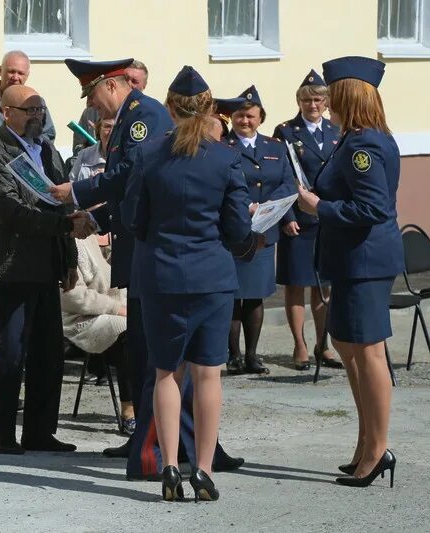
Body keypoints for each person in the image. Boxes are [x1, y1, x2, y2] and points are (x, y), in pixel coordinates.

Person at [121, 65, 262, 502]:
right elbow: (238, 230)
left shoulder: (150, 155)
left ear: (169, 108)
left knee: (167, 372)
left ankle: (167, 467)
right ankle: (201, 469)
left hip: (162, 277)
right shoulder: (225, 158)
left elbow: (132, 220)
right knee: (208, 375)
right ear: (210, 110)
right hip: (212, 279)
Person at [57, 58, 177, 476]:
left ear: (110, 85)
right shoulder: (130, 117)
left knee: (148, 353)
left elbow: (130, 175)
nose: (92, 106)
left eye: (92, 95)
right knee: (141, 351)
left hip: (147, 249)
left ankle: (153, 442)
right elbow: (129, 192)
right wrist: (96, 219)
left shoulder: (143, 116)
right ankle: (142, 436)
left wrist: (77, 191)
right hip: (133, 245)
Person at [297, 56, 403, 488]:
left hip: (365, 260)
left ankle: (377, 451)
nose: (326, 101)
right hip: (352, 259)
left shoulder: (364, 146)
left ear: (348, 96)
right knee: (346, 342)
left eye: (333, 95)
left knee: (368, 351)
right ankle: (367, 443)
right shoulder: (354, 140)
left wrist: (319, 207)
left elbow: (372, 207)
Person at [0, 84, 95, 454]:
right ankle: (3, 434)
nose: (37, 115)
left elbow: (60, 205)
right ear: (6, 112)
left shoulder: (46, 150)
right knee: (10, 354)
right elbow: (11, 211)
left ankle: (40, 431)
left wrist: (70, 258)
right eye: (29, 110)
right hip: (12, 266)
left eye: (40, 109)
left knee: (48, 353)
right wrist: (64, 227)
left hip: (47, 265)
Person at [273, 70, 343, 370]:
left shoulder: (336, 130)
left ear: (326, 102)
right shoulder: (286, 131)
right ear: (298, 101)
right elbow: (283, 176)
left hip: (327, 217)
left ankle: (322, 345)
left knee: (323, 286)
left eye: (317, 99)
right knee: (296, 284)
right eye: (306, 100)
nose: (312, 105)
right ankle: (300, 345)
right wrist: (286, 216)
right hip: (298, 219)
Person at [224, 86, 295, 375]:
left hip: (265, 231)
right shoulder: (223, 146)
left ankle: (252, 355)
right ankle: (233, 356)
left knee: (255, 295)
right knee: (232, 296)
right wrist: (246, 206)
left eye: (250, 116)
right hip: (235, 230)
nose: (245, 121)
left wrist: (273, 209)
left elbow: (288, 183)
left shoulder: (275, 148)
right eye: (239, 116)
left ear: (260, 118)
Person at [60, 235, 134, 432]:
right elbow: (72, 296)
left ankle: (156, 406)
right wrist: (117, 308)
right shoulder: (74, 240)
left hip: (116, 309)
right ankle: (130, 410)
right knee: (126, 330)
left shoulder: (110, 235)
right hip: (81, 318)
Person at [0, 50, 56, 141]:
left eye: (20, 73)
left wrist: (31, 145)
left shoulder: (36, 101)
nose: (15, 77)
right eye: (11, 71)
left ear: (27, 75)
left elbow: (48, 134)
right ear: (0, 70)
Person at [68, 117, 114, 182]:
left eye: (116, 127)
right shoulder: (84, 154)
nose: (111, 132)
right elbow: (72, 183)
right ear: (99, 130)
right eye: (107, 127)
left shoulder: (126, 156)